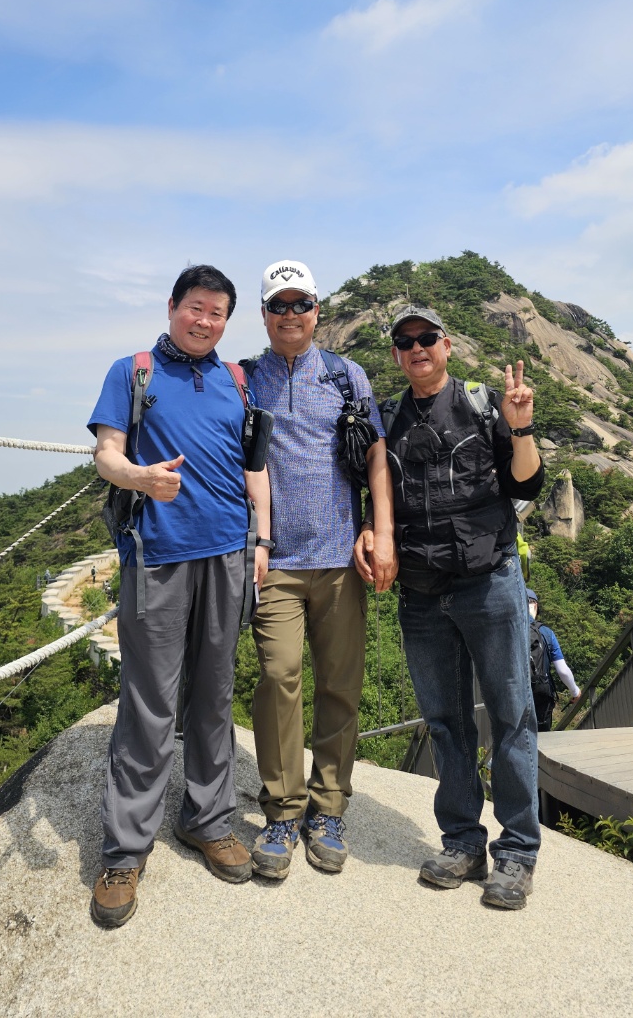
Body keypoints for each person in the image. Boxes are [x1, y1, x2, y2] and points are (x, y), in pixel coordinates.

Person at [87, 264, 271, 928]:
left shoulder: (236, 381)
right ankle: (124, 851)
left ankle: (208, 820)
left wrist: (262, 539)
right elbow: (107, 454)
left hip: (227, 553)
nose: (205, 321)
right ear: (172, 307)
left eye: (217, 313)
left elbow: (253, 465)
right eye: (196, 307)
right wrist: (140, 477)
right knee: (150, 700)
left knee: (214, 692)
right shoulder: (133, 372)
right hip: (158, 554)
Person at [383, 303, 545, 911]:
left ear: (446, 345)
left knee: (511, 715)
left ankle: (517, 851)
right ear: (397, 355)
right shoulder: (388, 419)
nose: (417, 348)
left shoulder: (483, 406)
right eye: (406, 342)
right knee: (446, 721)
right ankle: (462, 842)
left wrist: (521, 427)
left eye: (427, 338)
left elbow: (526, 483)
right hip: (421, 591)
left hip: (489, 581)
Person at [243, 259, 395, 881]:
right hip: (276, 560)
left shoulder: (345, 374)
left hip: (340, 560)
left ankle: (328, 809)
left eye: (300, 303)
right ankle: (283, 811)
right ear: (264, 315)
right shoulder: (244, 379)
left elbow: (376, 454)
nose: (290, 315)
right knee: (278, 676)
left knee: (339, 685)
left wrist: (382, 531)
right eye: (278, 305)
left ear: (317, 311)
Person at [526, 587, 581, 731]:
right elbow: (562, 671)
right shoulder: (546, 632)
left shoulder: (509, 630)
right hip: (541, 693)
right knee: (542, 737)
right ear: (535, 606)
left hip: (514, 693)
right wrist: (575, 691)